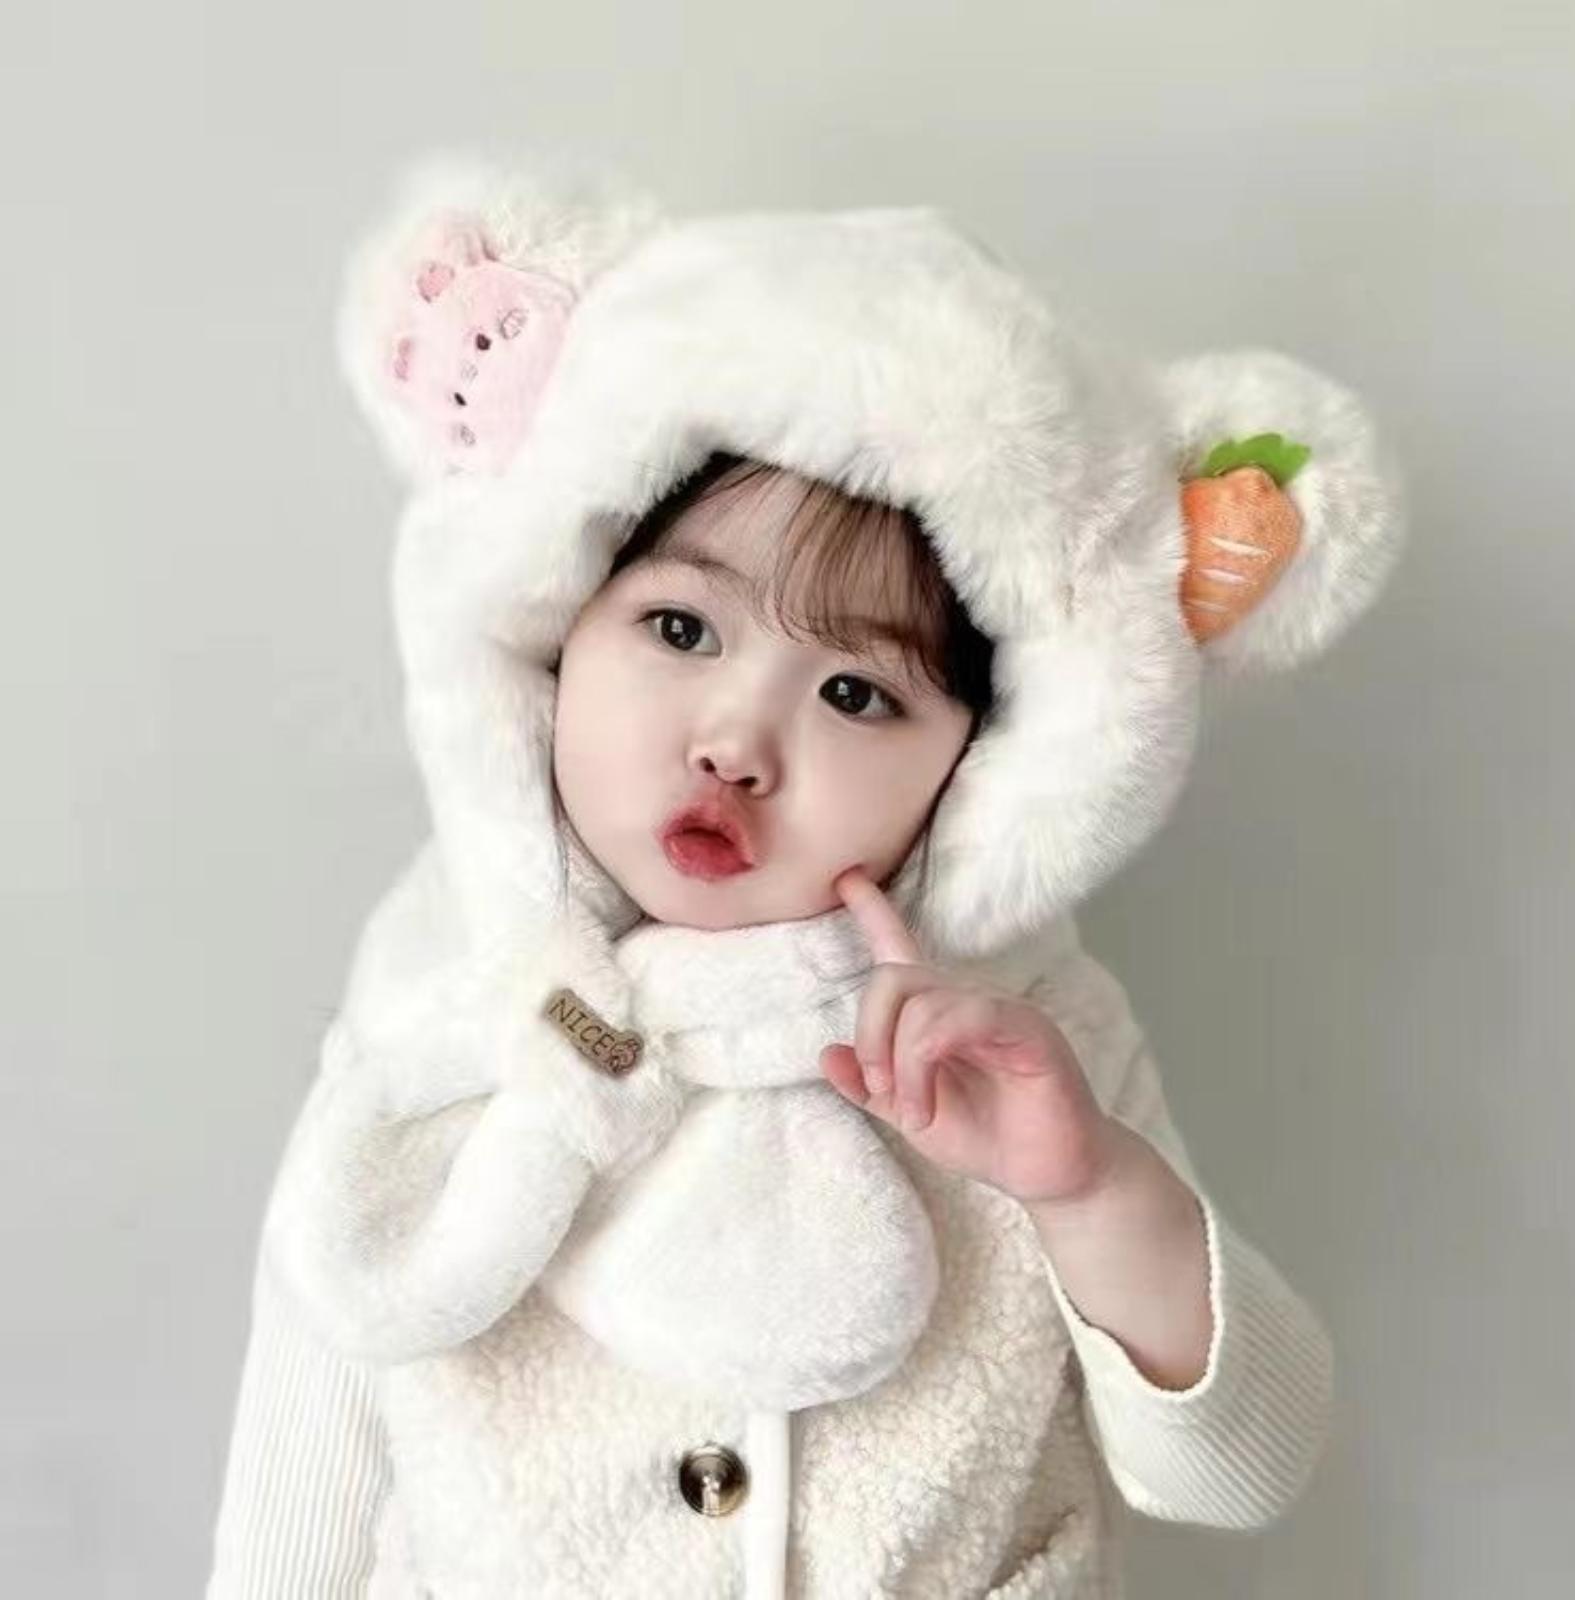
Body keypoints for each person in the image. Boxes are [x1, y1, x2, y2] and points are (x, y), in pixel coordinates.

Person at [205, 154, 1405, 1598]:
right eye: (681, 630)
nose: (735, 742)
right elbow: (302, 1481)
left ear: (980, 769)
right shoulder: (439, 1006)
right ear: (556, 627)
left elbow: (1242, 1470)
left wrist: (1088, 1187)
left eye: (855, 695)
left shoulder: (1025, 1038)